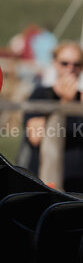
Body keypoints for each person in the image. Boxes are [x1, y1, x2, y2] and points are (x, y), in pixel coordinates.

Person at [24, 40, 83, 194]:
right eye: (65, 63)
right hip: (44, 183)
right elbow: (36, 137)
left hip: (77, 186)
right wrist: (65, 103)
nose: (71, 69)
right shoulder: (41, 94)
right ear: (55, 64)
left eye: (76, 64)